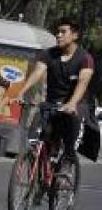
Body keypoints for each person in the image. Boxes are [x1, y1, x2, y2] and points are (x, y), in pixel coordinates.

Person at [13, 17, 96, 169]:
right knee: (43, 137)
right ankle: (42, 167)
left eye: (63, 32)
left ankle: (67, 162)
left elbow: (82, 83)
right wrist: (21, 92)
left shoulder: (85, 58)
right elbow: (38, 73)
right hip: (52, 103)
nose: (58, 35)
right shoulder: (48, 54)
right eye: (57, 32)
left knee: (73, 121)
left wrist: (71, 103)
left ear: (75, 35)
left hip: (77, 104)